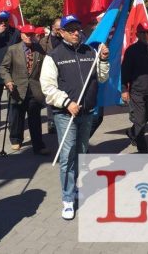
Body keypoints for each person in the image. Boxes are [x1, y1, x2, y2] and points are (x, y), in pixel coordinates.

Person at [40, 14, 109, 220]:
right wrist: (66, 103)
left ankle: (74, 186)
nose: (76, 32)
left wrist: (103, 60)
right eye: (71, 30)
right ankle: (68, 198)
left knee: (80, 152)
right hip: (65, 114)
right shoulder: (54, 56)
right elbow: (48, 87)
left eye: (78, 28)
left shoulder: (90, 51)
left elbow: (102, 77)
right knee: (68, 156)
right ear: (61, 32)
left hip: (87, 112)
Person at [0, 24, 50, 155]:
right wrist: (8, 80)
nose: (29, 37)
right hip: (17, 88)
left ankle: (38, 145)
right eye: (27, 34)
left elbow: (46, 66)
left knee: (35, 118)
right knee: (17, 116)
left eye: (31, 34)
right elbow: (4, 68)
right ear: (21, 35)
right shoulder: (12, 49)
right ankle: (16, 139)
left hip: (34, 89)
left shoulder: (39, 49)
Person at [121, 21, 148, 153]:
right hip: (137, 91)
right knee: (140, 120)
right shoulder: (131, 51)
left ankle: (133, 132)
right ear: (138, 34)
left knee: (147, 116)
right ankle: (142, 149)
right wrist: (124, 89)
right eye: (143, 32)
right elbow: (125, 71)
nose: (145, 35)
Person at [40, 17, 62, 134]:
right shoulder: (44, 41)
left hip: (63, 72)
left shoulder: (64, 38)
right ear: (53, 28)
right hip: (50, 72)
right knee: (51, 98)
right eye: (58, 29)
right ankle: (51, 121)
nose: (60, 31)